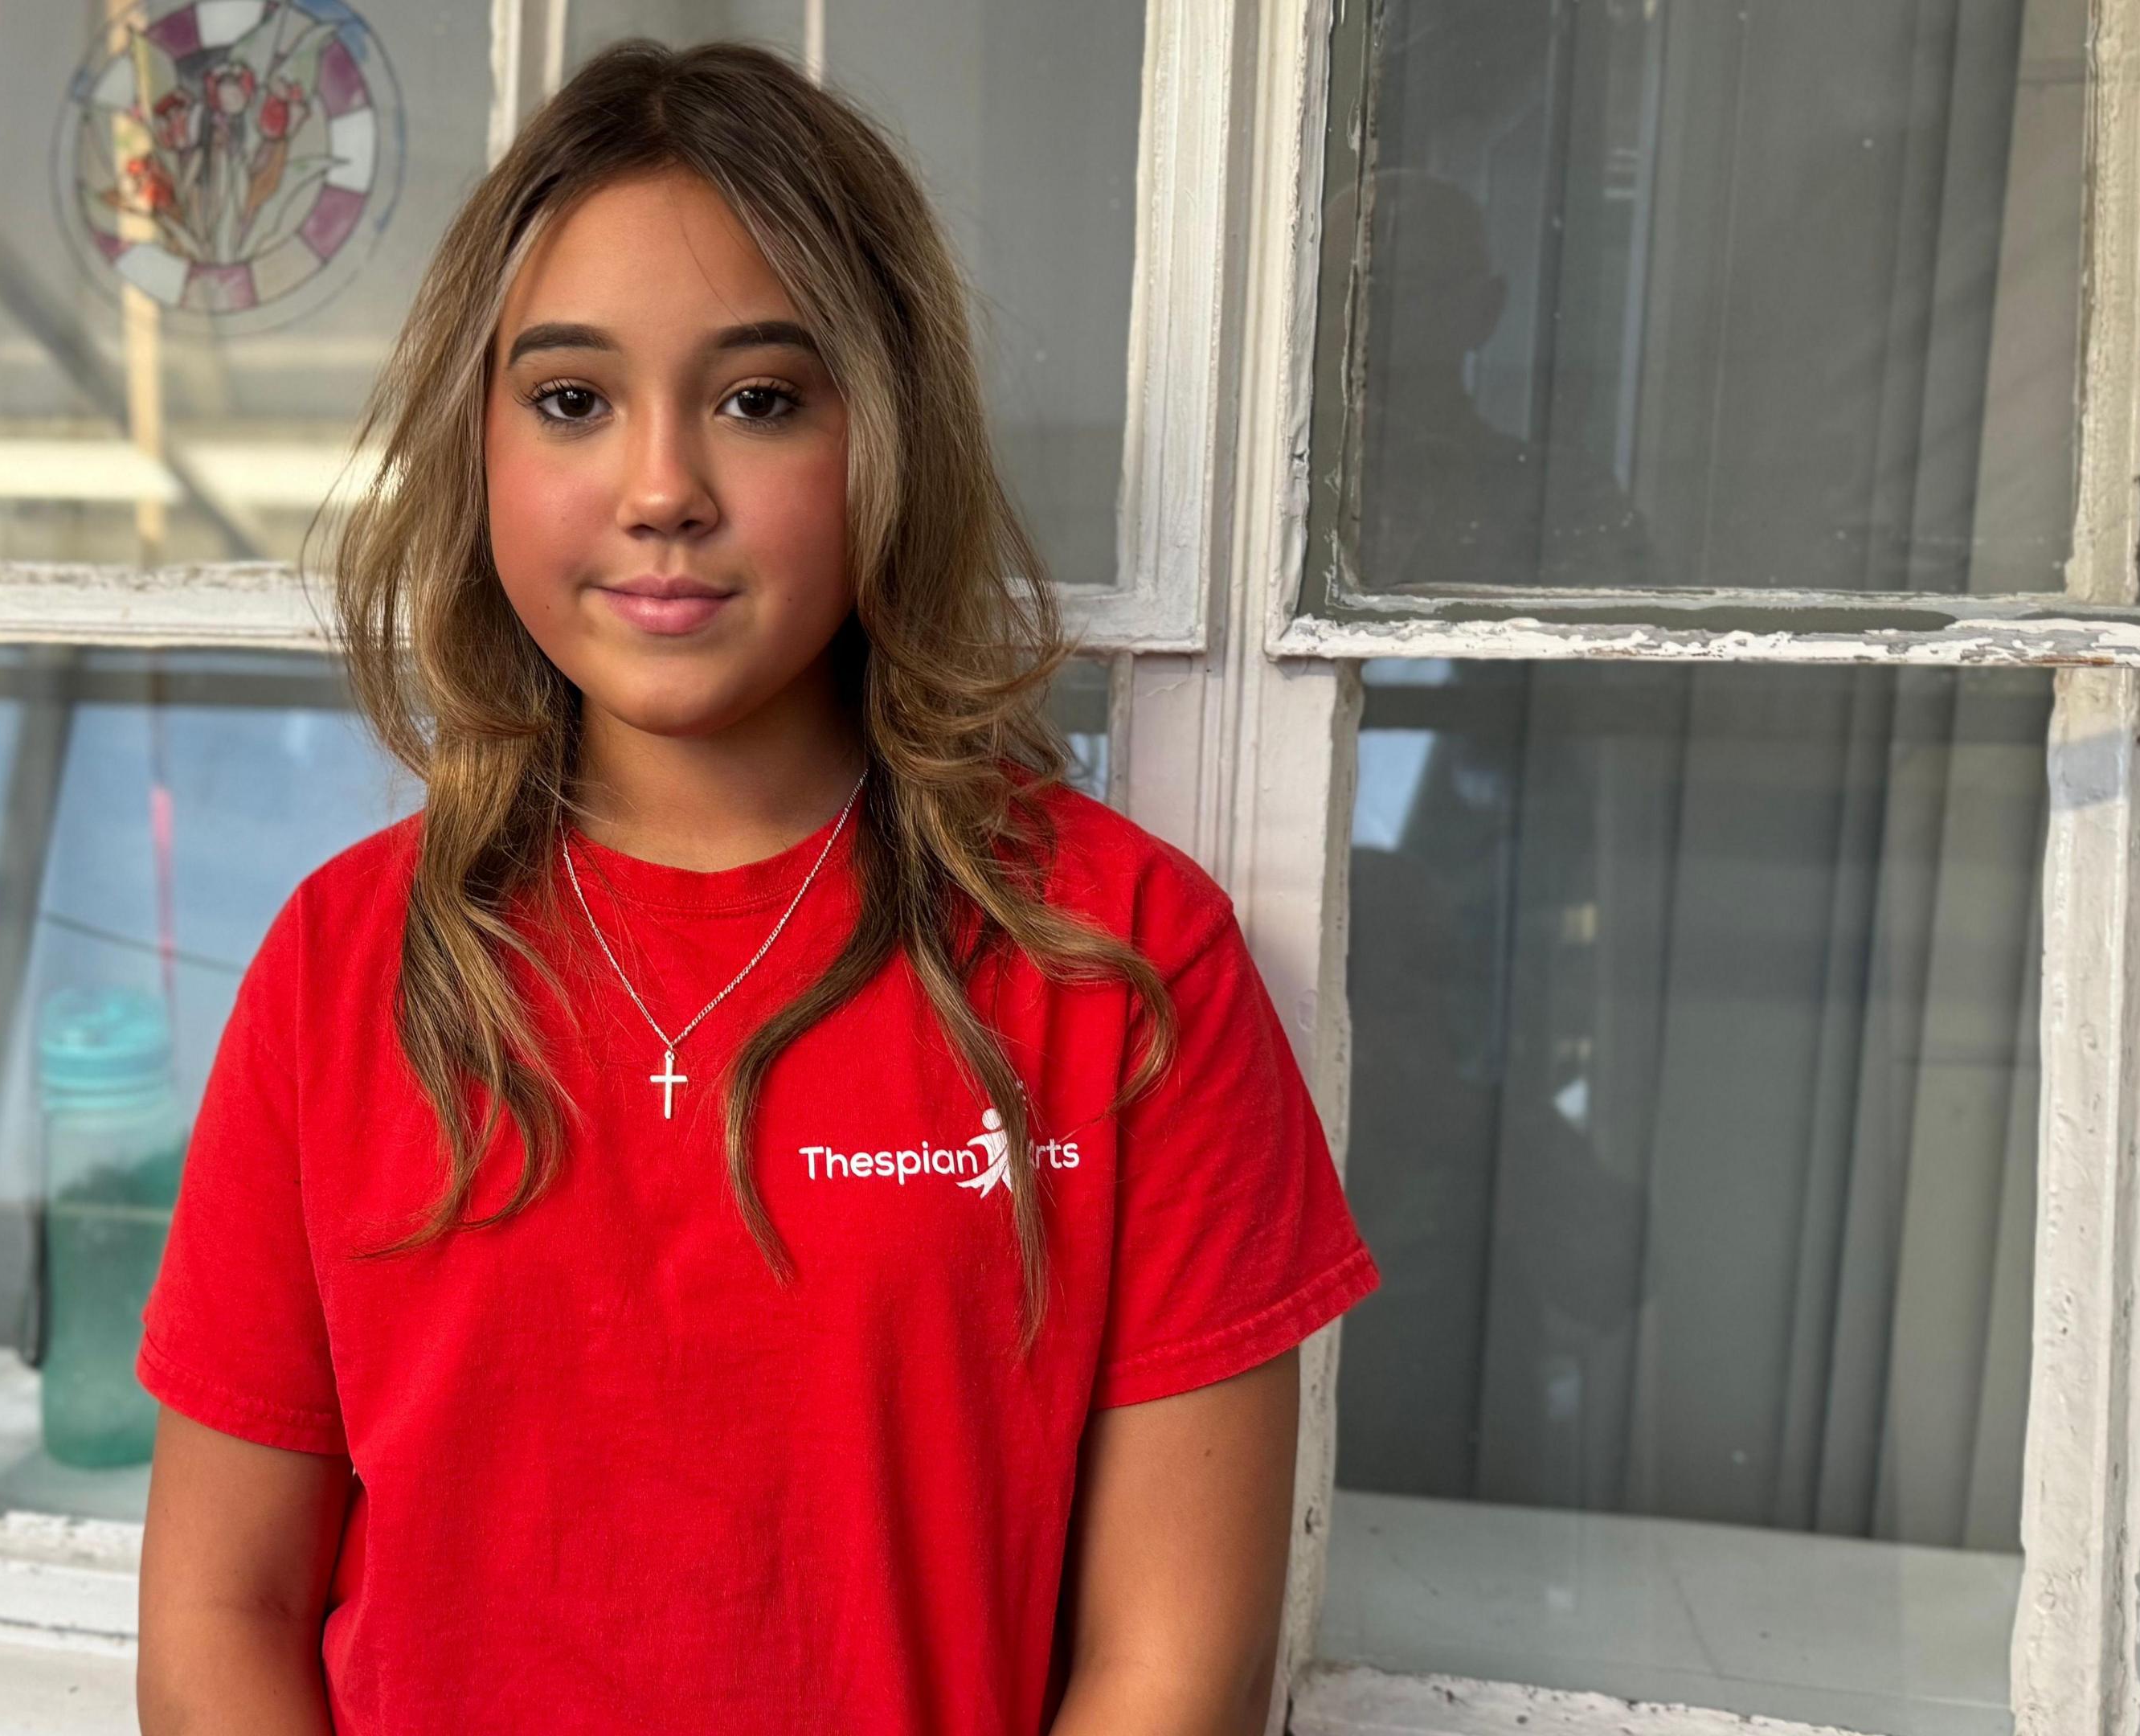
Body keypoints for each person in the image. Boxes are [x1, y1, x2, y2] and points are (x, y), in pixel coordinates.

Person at [131, 39, 1377, 1735]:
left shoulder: (1120, 965)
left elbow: (1173, 1672)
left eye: (759, 398)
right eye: (573, 399)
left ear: (886, 433)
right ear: (478, 443)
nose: (662, 492)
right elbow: (223, 1614)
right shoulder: (349, 965)